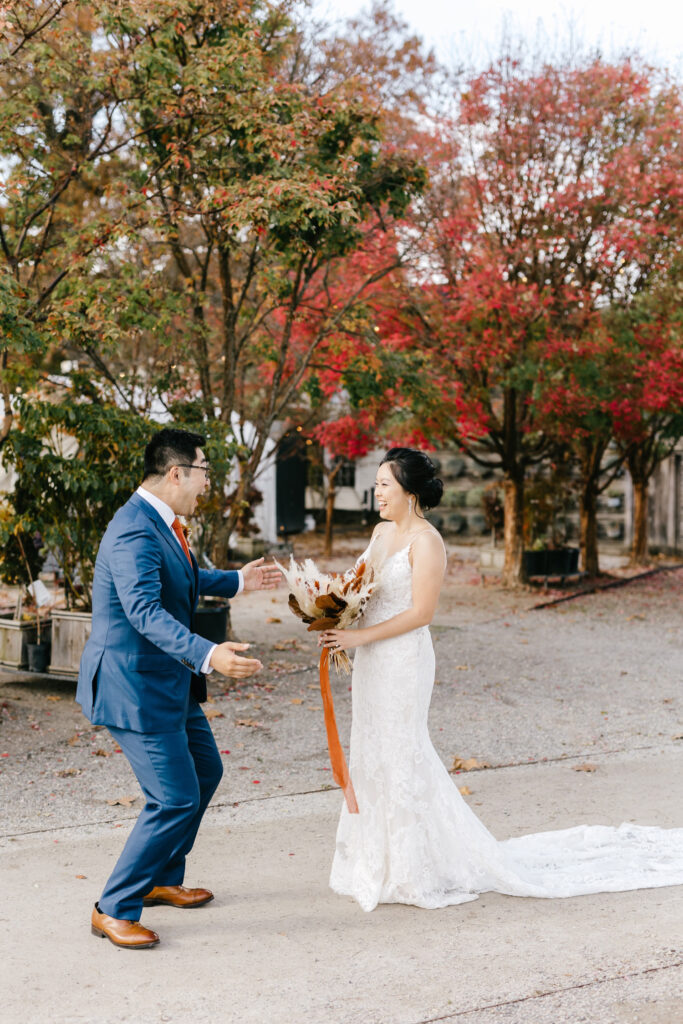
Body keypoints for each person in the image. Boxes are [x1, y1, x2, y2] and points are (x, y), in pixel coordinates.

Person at [320, 447, 683, 912]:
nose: (377, 492)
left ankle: (413, 868)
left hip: (403, 659)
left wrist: (359, 636)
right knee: (371, 747)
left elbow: (421, 613)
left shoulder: (427, 542)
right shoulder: (380, 532)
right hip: (370, 657)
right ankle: (376, 862)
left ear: (409, 492)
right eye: (376, 485)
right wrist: (329, 605)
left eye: (384, 484)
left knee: (401, 748)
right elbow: (356, 585)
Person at [76, 427, 280, 948]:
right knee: (174, 798)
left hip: (168, 683)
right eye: (205, 471)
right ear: (176, 473)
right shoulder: (133, 532)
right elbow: (143, 610)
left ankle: (162, 879)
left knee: (206, 772)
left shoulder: (162, 523)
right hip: (133, 687)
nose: (206, 483)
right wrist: (209, 654)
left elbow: (182, 578)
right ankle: (114, 905)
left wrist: (238, 580)